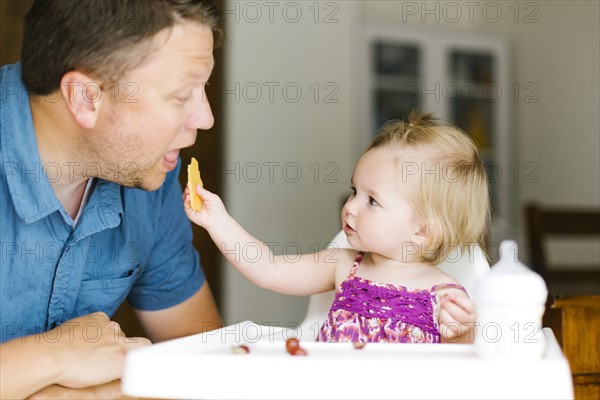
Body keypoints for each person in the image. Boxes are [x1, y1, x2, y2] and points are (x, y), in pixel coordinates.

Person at [0, 1, 224, 398]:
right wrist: (50, 356)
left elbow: (204, 367)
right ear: (86, 98)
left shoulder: (150, 170)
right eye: (181, 95)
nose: (205, 119)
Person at [185, 112, 490, 344]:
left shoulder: (444, 295)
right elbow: (269, 268)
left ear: (421, 231)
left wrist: (461, 332)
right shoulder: (344, 264)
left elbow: (463, 366)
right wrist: (218, 221)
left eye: (372, 200)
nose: (350, 206)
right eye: (354, 190)